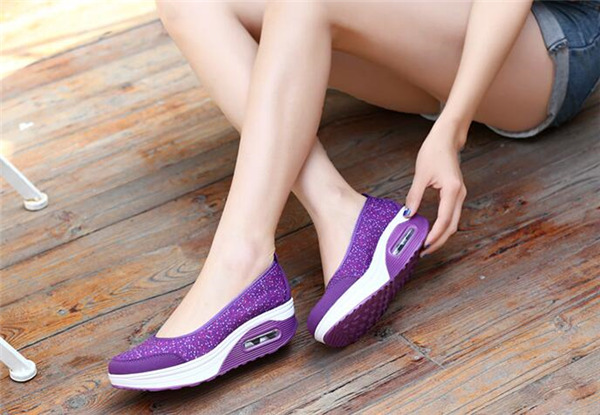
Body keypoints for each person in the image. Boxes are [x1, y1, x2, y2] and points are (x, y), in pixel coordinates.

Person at [107, 1, 600, 391]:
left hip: (542, 44)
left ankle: (241, 261)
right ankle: (339, 210)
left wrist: (452, 128)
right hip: (427, 38)